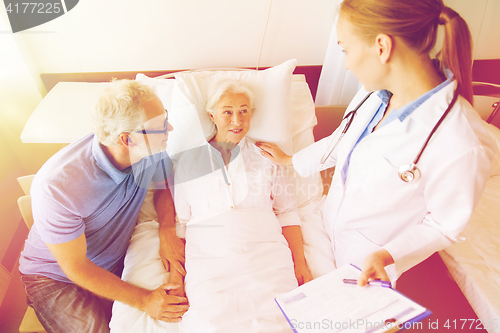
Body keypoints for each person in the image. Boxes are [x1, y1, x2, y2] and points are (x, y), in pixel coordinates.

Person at [257, 0, 496, 287]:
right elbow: (343, 141)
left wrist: (387, 255)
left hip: (364, 263)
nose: (345, 63)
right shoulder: (373, 95)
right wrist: (290, 160)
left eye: (345, 49)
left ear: (381, 47)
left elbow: (444, 225)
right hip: (323, 226)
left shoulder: (461, 141)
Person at [18, 79, 189, 333]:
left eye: (165, 118)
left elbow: (162, 179)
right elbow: (76, 268)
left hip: (110, 261)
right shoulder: (57, 186)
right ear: (127, 140)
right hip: (57, 278)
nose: (170, 128)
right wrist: (145, 300)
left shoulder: (149, 148)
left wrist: (166, 229)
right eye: (161, 125)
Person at [169, 78, 312, 332]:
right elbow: (182, 225)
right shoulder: (188, 162)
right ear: (212, 115)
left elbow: (287, 211)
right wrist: (176, 277)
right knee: (209, 323)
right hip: (210, 261)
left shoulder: (267, 156)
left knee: (278, 321)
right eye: (228, 112)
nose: (237, 120)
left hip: (266, 256)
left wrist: (299, 263)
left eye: (244, 111)